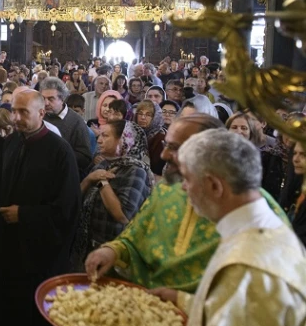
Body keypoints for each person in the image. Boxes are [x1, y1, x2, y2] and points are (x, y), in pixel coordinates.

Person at [85, 115, 287, 291]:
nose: (164, 155)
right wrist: (112, 250)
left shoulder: (256, 210)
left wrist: (183, 301)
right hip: (144, 302)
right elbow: (135, 235)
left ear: (205, 150)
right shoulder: (167, 188)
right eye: (165, 145)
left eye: (174, 147)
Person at [152, 129, 306, 326]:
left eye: (187, 179)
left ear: (214, 186)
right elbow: (236, 313)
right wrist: (183, 300)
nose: (184, 188)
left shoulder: (247, 265)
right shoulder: (262, 230)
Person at [0, 90, 81, 326]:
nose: (15, 118)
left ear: (41, 113)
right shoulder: (12, 142)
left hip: (38, 258)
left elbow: (67, 210)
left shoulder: (60, 151)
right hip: (7, 250)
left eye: (23, 112)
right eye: (14, 111)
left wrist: (24, 215)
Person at [73, 120, 152, 268]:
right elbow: (76, 198)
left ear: (124, 140)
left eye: (105, 136)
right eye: (100, 135)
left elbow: (123, 216)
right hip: (87, 245)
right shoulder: (102, 164)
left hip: (114, 252)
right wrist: (89, 179)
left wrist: (102, 182)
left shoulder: (136, 171)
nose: (99, 140)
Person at [226, 112, 287, 201]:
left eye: (244, 128)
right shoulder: (217, 155)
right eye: (234, 127)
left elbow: (269, 192)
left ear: (250, 132)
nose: (239, 131)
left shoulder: (263, 158)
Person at [41, 77, 93, 177]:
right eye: (43, 98)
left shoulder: (77, 121)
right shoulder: (40, 116)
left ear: (62, 99)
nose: (46, 103)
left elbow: (85, 158)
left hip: (65, 176)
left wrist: (58, 155)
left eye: (51, 99)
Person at [134, 100, 166, 177]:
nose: (143, 117)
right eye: (140, 113)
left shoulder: (160, 138)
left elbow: (158, 169)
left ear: (155, 117)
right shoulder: (132, 133)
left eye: (148, 115)